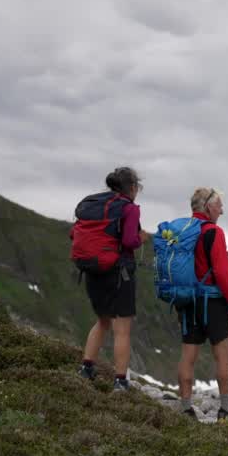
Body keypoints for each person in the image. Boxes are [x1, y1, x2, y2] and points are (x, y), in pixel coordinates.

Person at [76, 167, 145, 391]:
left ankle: (86, 368)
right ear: (133, 187)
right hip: (118, 272)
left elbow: (74, 233)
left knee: (102, 321)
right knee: (122, 328)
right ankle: (120, 380)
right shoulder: (129, 208)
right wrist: (140, 239)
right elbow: (128, 241)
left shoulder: (93, 203)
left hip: (92, 268)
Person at [178, 187, 228, 420]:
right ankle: (224, 410)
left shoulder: (182, 231)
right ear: (207, 207)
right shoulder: (214, 232)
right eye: (218, 205)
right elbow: (222, 273)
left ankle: (185, 409)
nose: (222, 210)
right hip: (212, 301)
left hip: (186, 301)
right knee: (222, 354)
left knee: (188, 355)